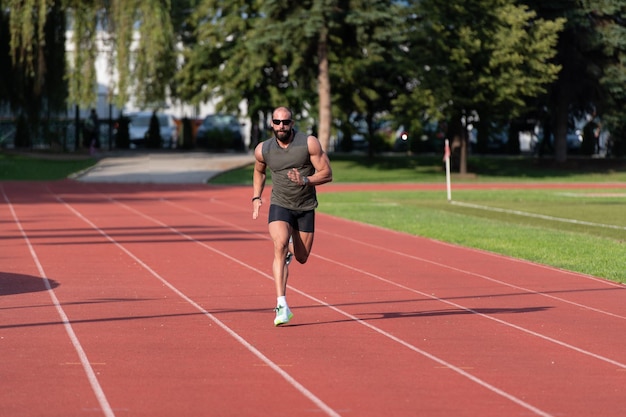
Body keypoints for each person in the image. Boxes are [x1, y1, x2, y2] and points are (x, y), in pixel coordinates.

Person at [252, 106, 333, 326]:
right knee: (278, 245)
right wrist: (256, 196)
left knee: (302, 256)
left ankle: (290, 247)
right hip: (280, 204)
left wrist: (306, 180)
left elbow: (327, 173)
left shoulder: (308, 143)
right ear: (271, 123)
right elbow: (259, 170)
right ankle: (282, 305)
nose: (281, 126)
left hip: (305, 206)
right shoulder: (263, 149)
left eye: (285, 122)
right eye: (277, 122)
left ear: (292, 123)